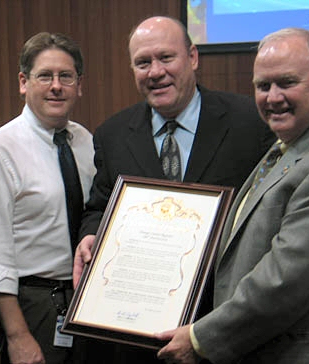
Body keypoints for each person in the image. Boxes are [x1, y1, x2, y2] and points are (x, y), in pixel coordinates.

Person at [73, 16, 275, 364]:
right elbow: (99, 206)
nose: (155, 72)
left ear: (193, 58)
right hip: (138, 334)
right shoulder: (112, 134)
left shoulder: (249, 122)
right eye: (143, 62)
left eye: (166, 58)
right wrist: (91, 235)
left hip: (221, 327)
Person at [156, 27, 309, 364]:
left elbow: (285, 281)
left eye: (286, 83)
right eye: (263, 86)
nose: (272, 97)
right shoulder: (291, 143)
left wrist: (200, 338)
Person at [0, 32, 95, 364]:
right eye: (45, 76)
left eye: (65, 76)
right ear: (24, 82)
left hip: (86, 302)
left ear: (79, 85)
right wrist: (18, 335)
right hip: (32, 306)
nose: (56, 86)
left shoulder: (85, 141)